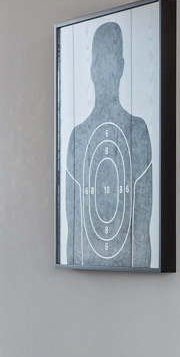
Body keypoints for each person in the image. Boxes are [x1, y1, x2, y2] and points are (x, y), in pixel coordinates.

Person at [64, 19, 156, 268]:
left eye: (110, 61)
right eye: (100, 62)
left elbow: (142, 226)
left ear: (122, 67)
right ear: (92, 69)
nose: (105, 71)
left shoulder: (137, 131)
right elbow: (73, 234)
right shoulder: (77, 138)